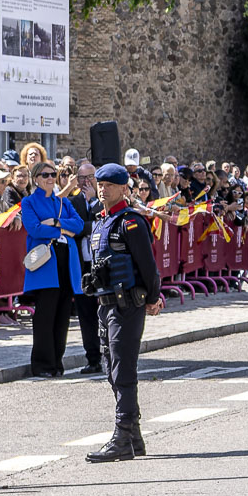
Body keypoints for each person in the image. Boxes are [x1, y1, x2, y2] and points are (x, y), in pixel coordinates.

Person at [83, 163, 163, 462]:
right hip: (105, 306)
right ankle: (134, 439)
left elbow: (148, 267)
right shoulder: (101, 221)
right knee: (111, 369)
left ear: (123, 189)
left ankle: (121, 435)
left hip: (127, 305)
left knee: (122, 369)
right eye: (99, 184)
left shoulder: (130, 222)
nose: (102, 189)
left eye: (108, 185)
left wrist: (154, 299)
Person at [19, 159, 85, 377]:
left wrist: (56, 223)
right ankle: (42, 364)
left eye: (52, 174)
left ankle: (57, 362)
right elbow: (34, 229)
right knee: (45, 316)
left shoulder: (63, 202)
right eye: (45, 175)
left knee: (63, 316)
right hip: (46, 263)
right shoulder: (29, 202)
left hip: (66, 261)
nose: (50, 178)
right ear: (36, 179)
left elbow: (79, 225)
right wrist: (63, 231)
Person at [62, 158, 104, 376]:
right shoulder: (73, 202)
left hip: (104, 264)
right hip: (82, 265)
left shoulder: (105, 199)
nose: (87, 182)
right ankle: (93, 358)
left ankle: (110, 352)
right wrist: (89, 227)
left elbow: (105, 223)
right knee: (86, 314)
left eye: (90, 178)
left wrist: (94, 203)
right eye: (82, 178)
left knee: (107, 310)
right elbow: (74, 228)